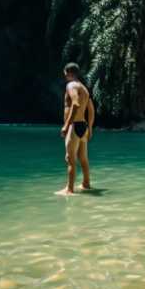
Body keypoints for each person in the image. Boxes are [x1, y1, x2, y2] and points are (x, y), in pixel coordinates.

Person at [56, 62, 95, 196]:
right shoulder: (84, 88)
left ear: (68, 72)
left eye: (65, 74)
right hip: (83, 126)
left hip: (74, 126)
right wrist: (90, 127)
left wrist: (66, 125)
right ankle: (86, 184)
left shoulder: (71, 85)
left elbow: (76, 104)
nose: (65, 76)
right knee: (83, 158)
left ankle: (69, 189)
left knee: (70, 158)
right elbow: (91, 109)